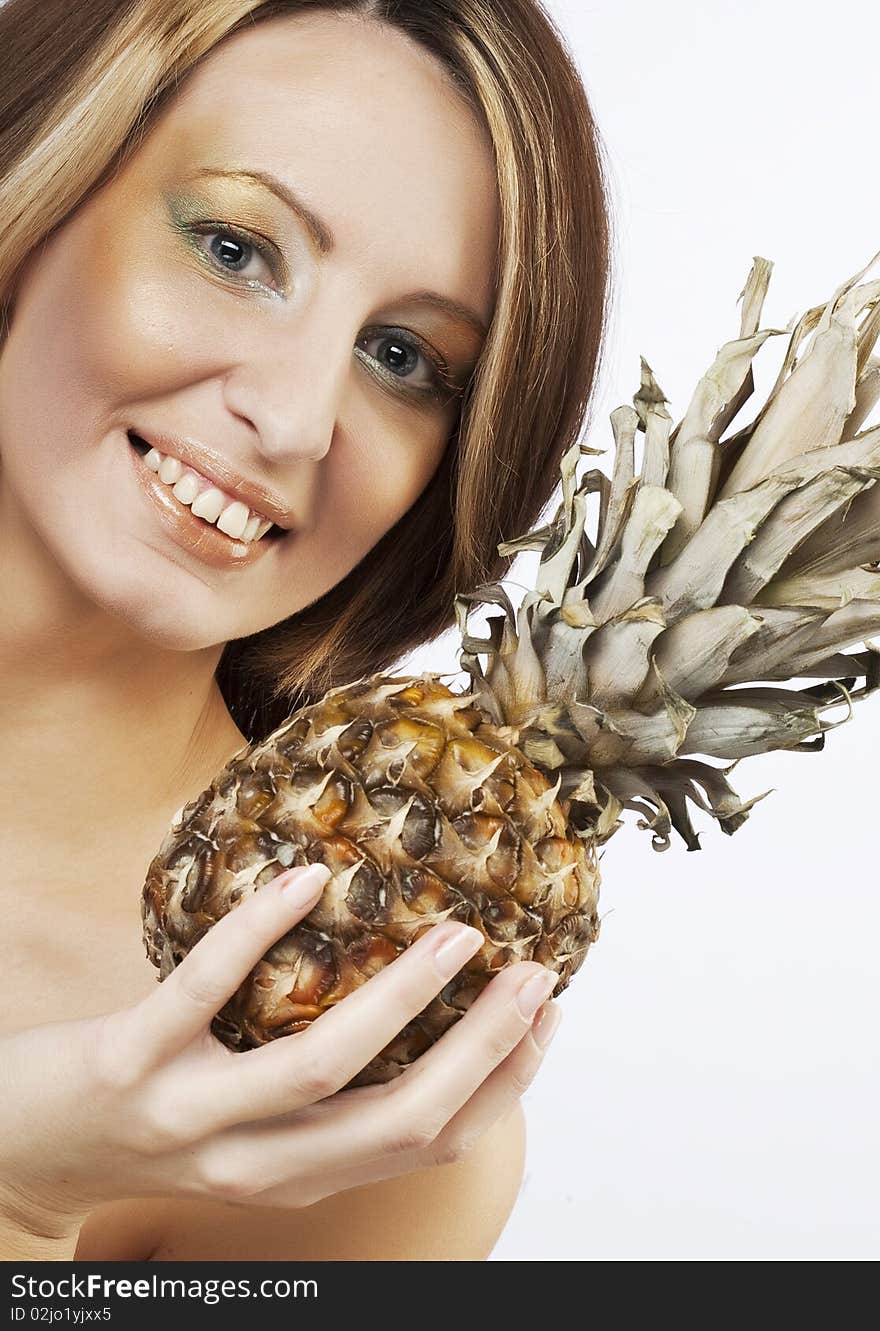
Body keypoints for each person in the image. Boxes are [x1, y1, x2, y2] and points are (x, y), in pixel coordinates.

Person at [0, 0, 614, 1261]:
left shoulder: (339, 1083)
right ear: (39, 172)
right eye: (234, 248)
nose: (294, 419)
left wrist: (24, 1195)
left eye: (402, 355)